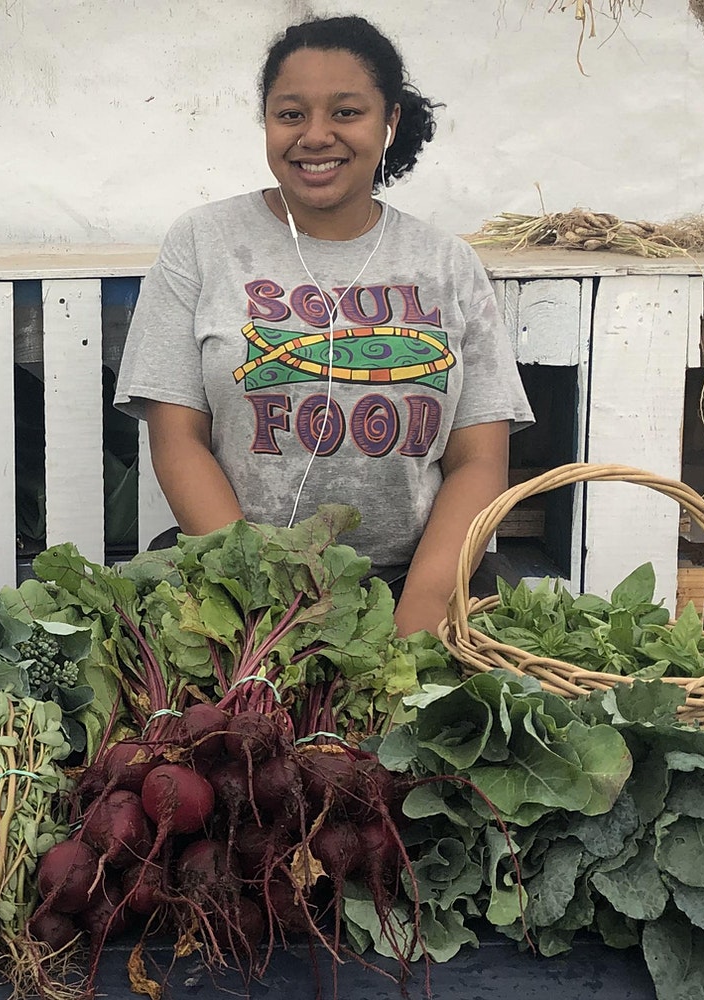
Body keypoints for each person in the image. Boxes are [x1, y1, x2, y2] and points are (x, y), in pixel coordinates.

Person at [115, 15, 534, 639]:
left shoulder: (447, 263)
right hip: (237, 585)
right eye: (291, 115)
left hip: (412, 579)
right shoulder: (204, 243)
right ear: (266, 122)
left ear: (388, 122)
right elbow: (177, 438)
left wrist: (421, 609)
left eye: (345, 112)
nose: (316, 136)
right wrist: (258, 601)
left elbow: (479, 459)